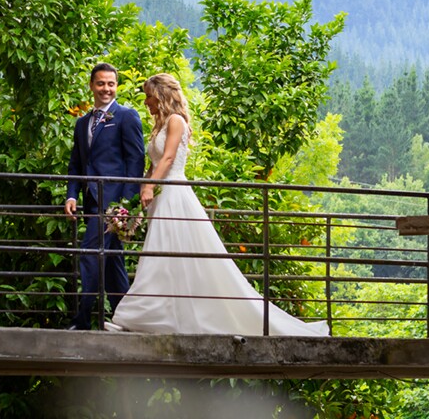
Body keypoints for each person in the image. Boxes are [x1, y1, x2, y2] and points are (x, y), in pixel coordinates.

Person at [106, 73, 329, 337]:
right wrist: (135, 200)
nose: (146, 102)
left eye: (150, 96)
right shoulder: (159, 126)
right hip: (161, 198)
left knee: (162, 253)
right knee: (164, 256)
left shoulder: (176, 121)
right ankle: (160, 315)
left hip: (175, 195)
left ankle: (139, 314)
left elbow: (167, 159)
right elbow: (153, 164)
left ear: (162, 96)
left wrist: (150, 186)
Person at [65, 63, 146, 330]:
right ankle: (126, 319)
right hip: (91, 202)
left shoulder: (126, 116)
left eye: (111, 84)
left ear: (117, 86)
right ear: (91, 85)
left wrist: (126, 205)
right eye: (101, 83)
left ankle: (83, 319)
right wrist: (71, 195)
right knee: (112, 261)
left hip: (114, 205)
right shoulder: (82, 123)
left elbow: (136, 161)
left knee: (90, 254)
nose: (106, 89)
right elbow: (77, 164)